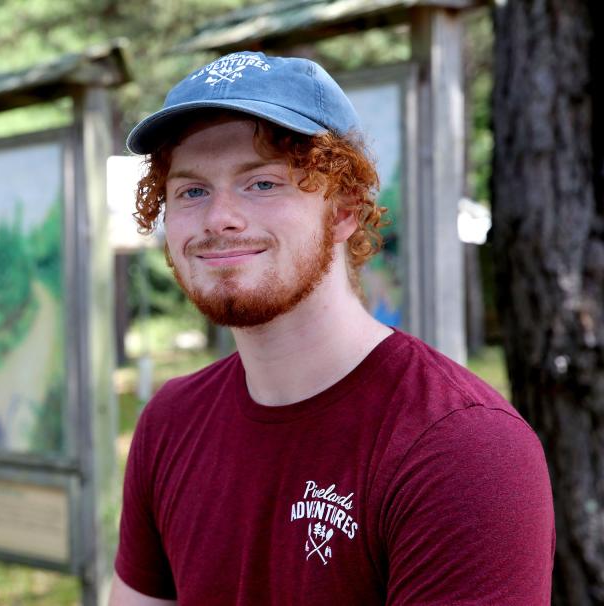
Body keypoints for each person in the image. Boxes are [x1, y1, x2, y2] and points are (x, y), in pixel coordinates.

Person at [110, 51, 555, 606]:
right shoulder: (169, 424)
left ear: (344, 211)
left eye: (263, 183)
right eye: (192, 191)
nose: (219, 217)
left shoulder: (462, 449)